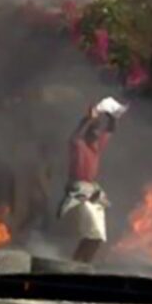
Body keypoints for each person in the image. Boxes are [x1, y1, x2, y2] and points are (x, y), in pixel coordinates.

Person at [58, 98, 125, 263]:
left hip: (93, 190)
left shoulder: (97, 147)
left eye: (98, 132)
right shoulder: (79, 145)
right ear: (87, 134)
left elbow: (110, 130)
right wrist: (89, 119)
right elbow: (76, 134)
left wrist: (113, 115)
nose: (97, 134)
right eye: (94, 131)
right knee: (91, 233)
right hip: (79, 190)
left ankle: (82, 264)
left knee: (98, 237)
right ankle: (75, 264)